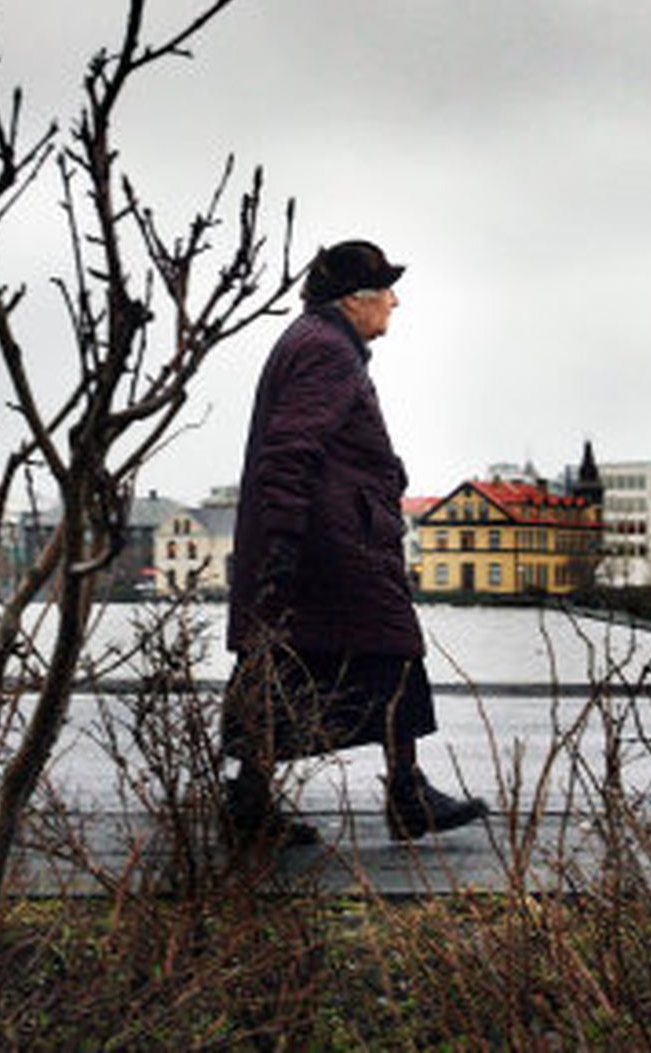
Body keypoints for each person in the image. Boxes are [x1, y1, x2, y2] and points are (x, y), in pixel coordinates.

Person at [221, 239, 487, 848]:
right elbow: (290, 449)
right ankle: (407, 794)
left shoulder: (316, 341)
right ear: (354, 300)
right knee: (389, 655)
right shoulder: (326, 351)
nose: (394, 301)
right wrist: (285, 541)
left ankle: (251, 803)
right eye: (386, 291)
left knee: (284, 668)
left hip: (319, 543)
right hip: (333, 549)